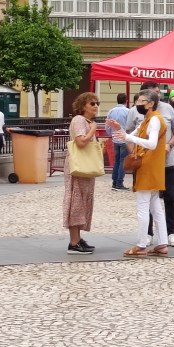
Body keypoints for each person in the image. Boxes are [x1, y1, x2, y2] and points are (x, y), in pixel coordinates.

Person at [113, 89, 168, 258]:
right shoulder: (148, 120)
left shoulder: (154, 120)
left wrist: (128, 137)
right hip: (152, 166)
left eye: (141, 101)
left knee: (143, 207)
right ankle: (162, 243)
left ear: (151, 103)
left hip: (148, 166)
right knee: (155, 207)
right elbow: (129, 135)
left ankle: (141, 244)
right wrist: (121, 131)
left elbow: (151, 144)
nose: (137, 104)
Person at [63, 93, 99, 254]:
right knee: (76, 202)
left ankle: (77, 238)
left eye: (97, 103)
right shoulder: (79, 120)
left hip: (85, 167)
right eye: (92, 103)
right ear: (83, 105)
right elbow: (81, 141)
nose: (96, 106)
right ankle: (74, 242)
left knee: (82, 202)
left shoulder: (87, 121)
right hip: (78, 167)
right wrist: (92, 130)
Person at [106, 93, 130, 191]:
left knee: (116, 161)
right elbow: (129, 126)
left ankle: (114, 182)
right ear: (126, 100)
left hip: (115, 138)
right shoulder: (128, 111)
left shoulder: (111, 111)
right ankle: (119, 183)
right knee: (122, 161)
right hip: (124, 139)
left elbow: (107, 126)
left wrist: (111, 134)